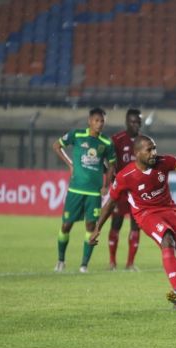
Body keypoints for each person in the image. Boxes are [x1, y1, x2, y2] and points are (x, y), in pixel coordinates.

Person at [89, 135, 176, 310]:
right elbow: (111, 202)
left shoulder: (165, 162)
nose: (154, 153)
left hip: (169, 209)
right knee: (167, 239)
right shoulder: (125, 176)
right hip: (145, 213)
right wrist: (98, 227)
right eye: (149, 149)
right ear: (137, 153)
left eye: (155, 148)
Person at [53, 107, 116, 273]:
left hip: (94, 193)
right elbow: (56, 146)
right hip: (75, 190)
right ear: (89, 121)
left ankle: (84, 265)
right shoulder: (77, 135)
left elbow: (111, 167)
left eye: (102, 121)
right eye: (96, 120)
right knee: (66, 225)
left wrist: (106, 186)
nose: (99, 124)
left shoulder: (107, 143)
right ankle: (60, 260)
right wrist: (70, 164)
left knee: (90, 227)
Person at [107, 109, 142, 271]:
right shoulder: (117, 140)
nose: (135, 125)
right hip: (121, 190)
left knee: (136, 226)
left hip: (138, 192)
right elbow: (107, 160)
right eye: (132, 121)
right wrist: (110, 178)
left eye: (138, 122)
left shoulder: (144, 142)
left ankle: (130, 263)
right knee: (116, 224)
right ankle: (112, 262)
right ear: (127, 122)